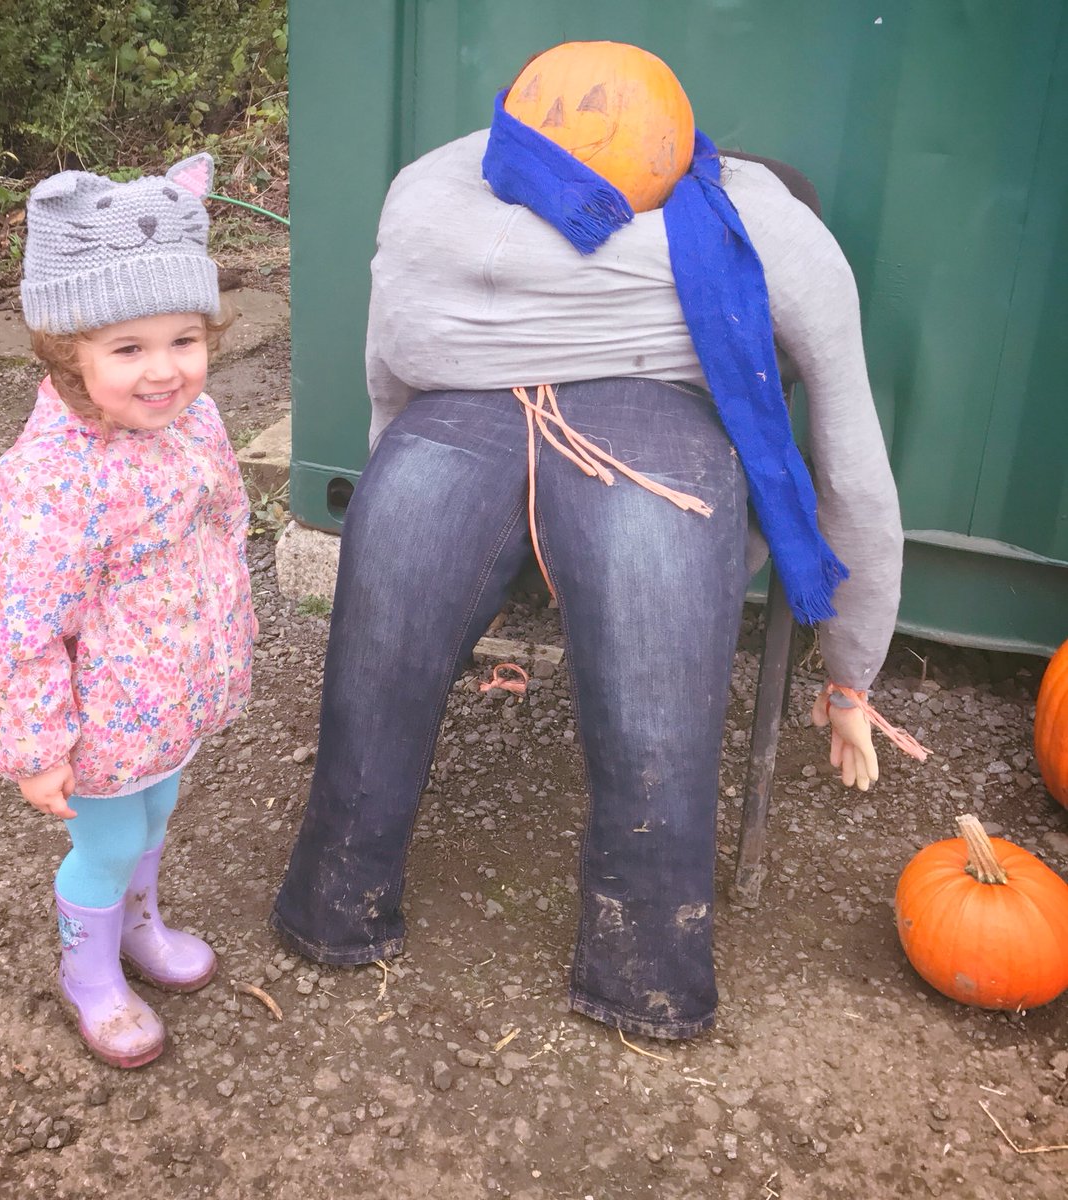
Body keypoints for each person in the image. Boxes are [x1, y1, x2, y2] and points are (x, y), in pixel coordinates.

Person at [272, 42, 924, 1040]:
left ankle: (336, 903)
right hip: (536, 423)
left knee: (400, 630)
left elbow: (390, 369)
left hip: (561, 417)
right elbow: (852, 475)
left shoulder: (436, 204)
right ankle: (643, 967)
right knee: (618, 675)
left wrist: (384, 478)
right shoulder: (760, 241)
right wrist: (850, 681)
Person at [0, 153, 256, 1068]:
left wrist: (231, 631)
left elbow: (223, 529)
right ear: (67, 353)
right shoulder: (52, 485)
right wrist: (36, 746)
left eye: (184, 339)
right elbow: (24, 628)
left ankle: (142, 927)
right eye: (127, 349)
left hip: (167, 696)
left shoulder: (194, 423)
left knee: (157, 815)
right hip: (99, 717)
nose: (164, 370)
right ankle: (88, 972)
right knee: (110, 836)